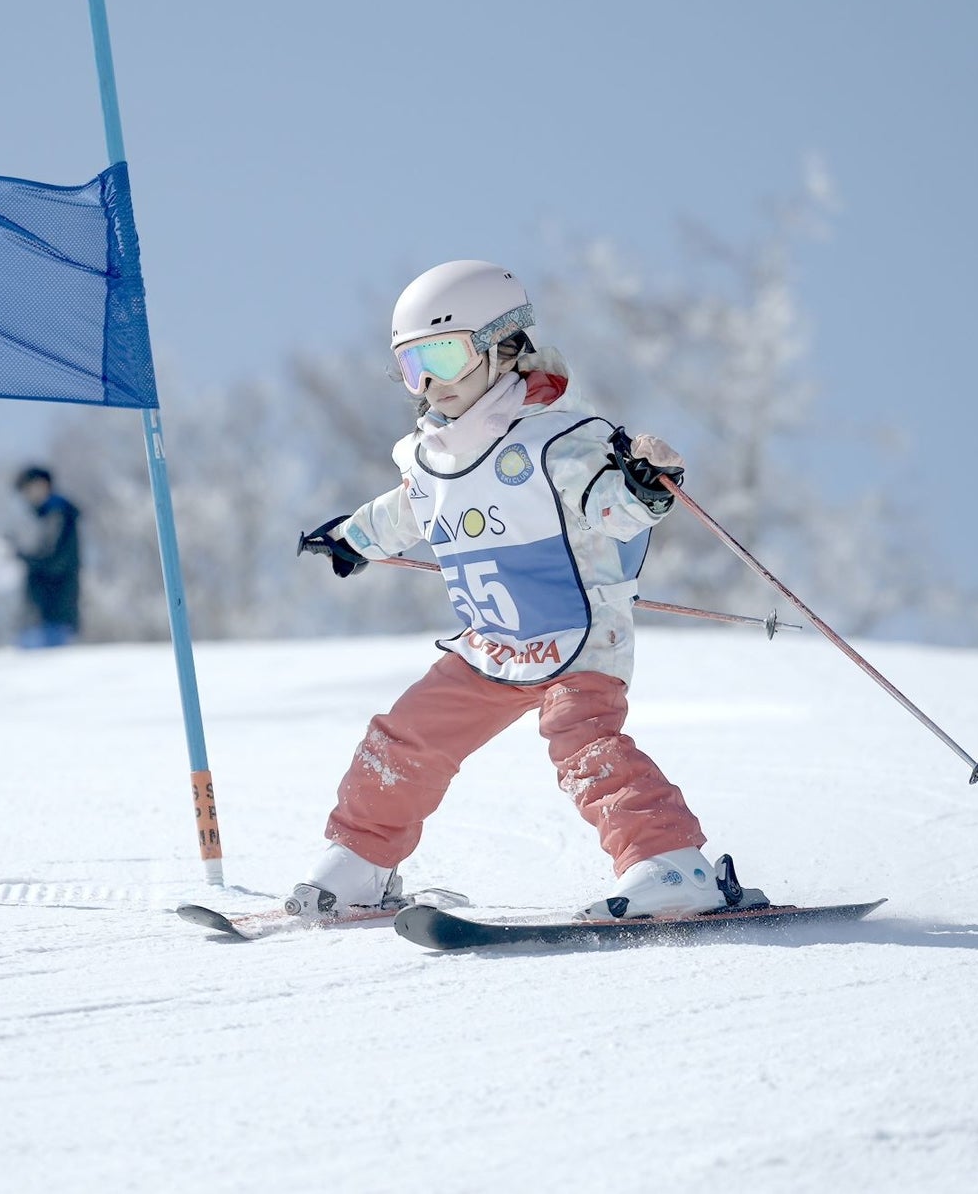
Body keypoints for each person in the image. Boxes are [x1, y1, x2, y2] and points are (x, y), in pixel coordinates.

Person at [292, 260, 722, 922]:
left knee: (584, 744)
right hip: (492, 645)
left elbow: (614, 510)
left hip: (576, 637)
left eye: (441, 354)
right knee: (406, 737)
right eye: (412, 367)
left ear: (504, 346)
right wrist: (354, 538)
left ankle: (670, 863)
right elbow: (405, 512)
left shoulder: (558, 442)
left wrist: (640, 485)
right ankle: (361, 861)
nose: (429, 381)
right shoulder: (430, 457)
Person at [12, 465, 80, 648]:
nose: (26, 497)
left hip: (53, 613)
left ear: (42, 485)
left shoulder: (58, 514)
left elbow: (54, 560)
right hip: (39, 616)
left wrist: (18, 556)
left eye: (28, 489)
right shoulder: (44, 516)